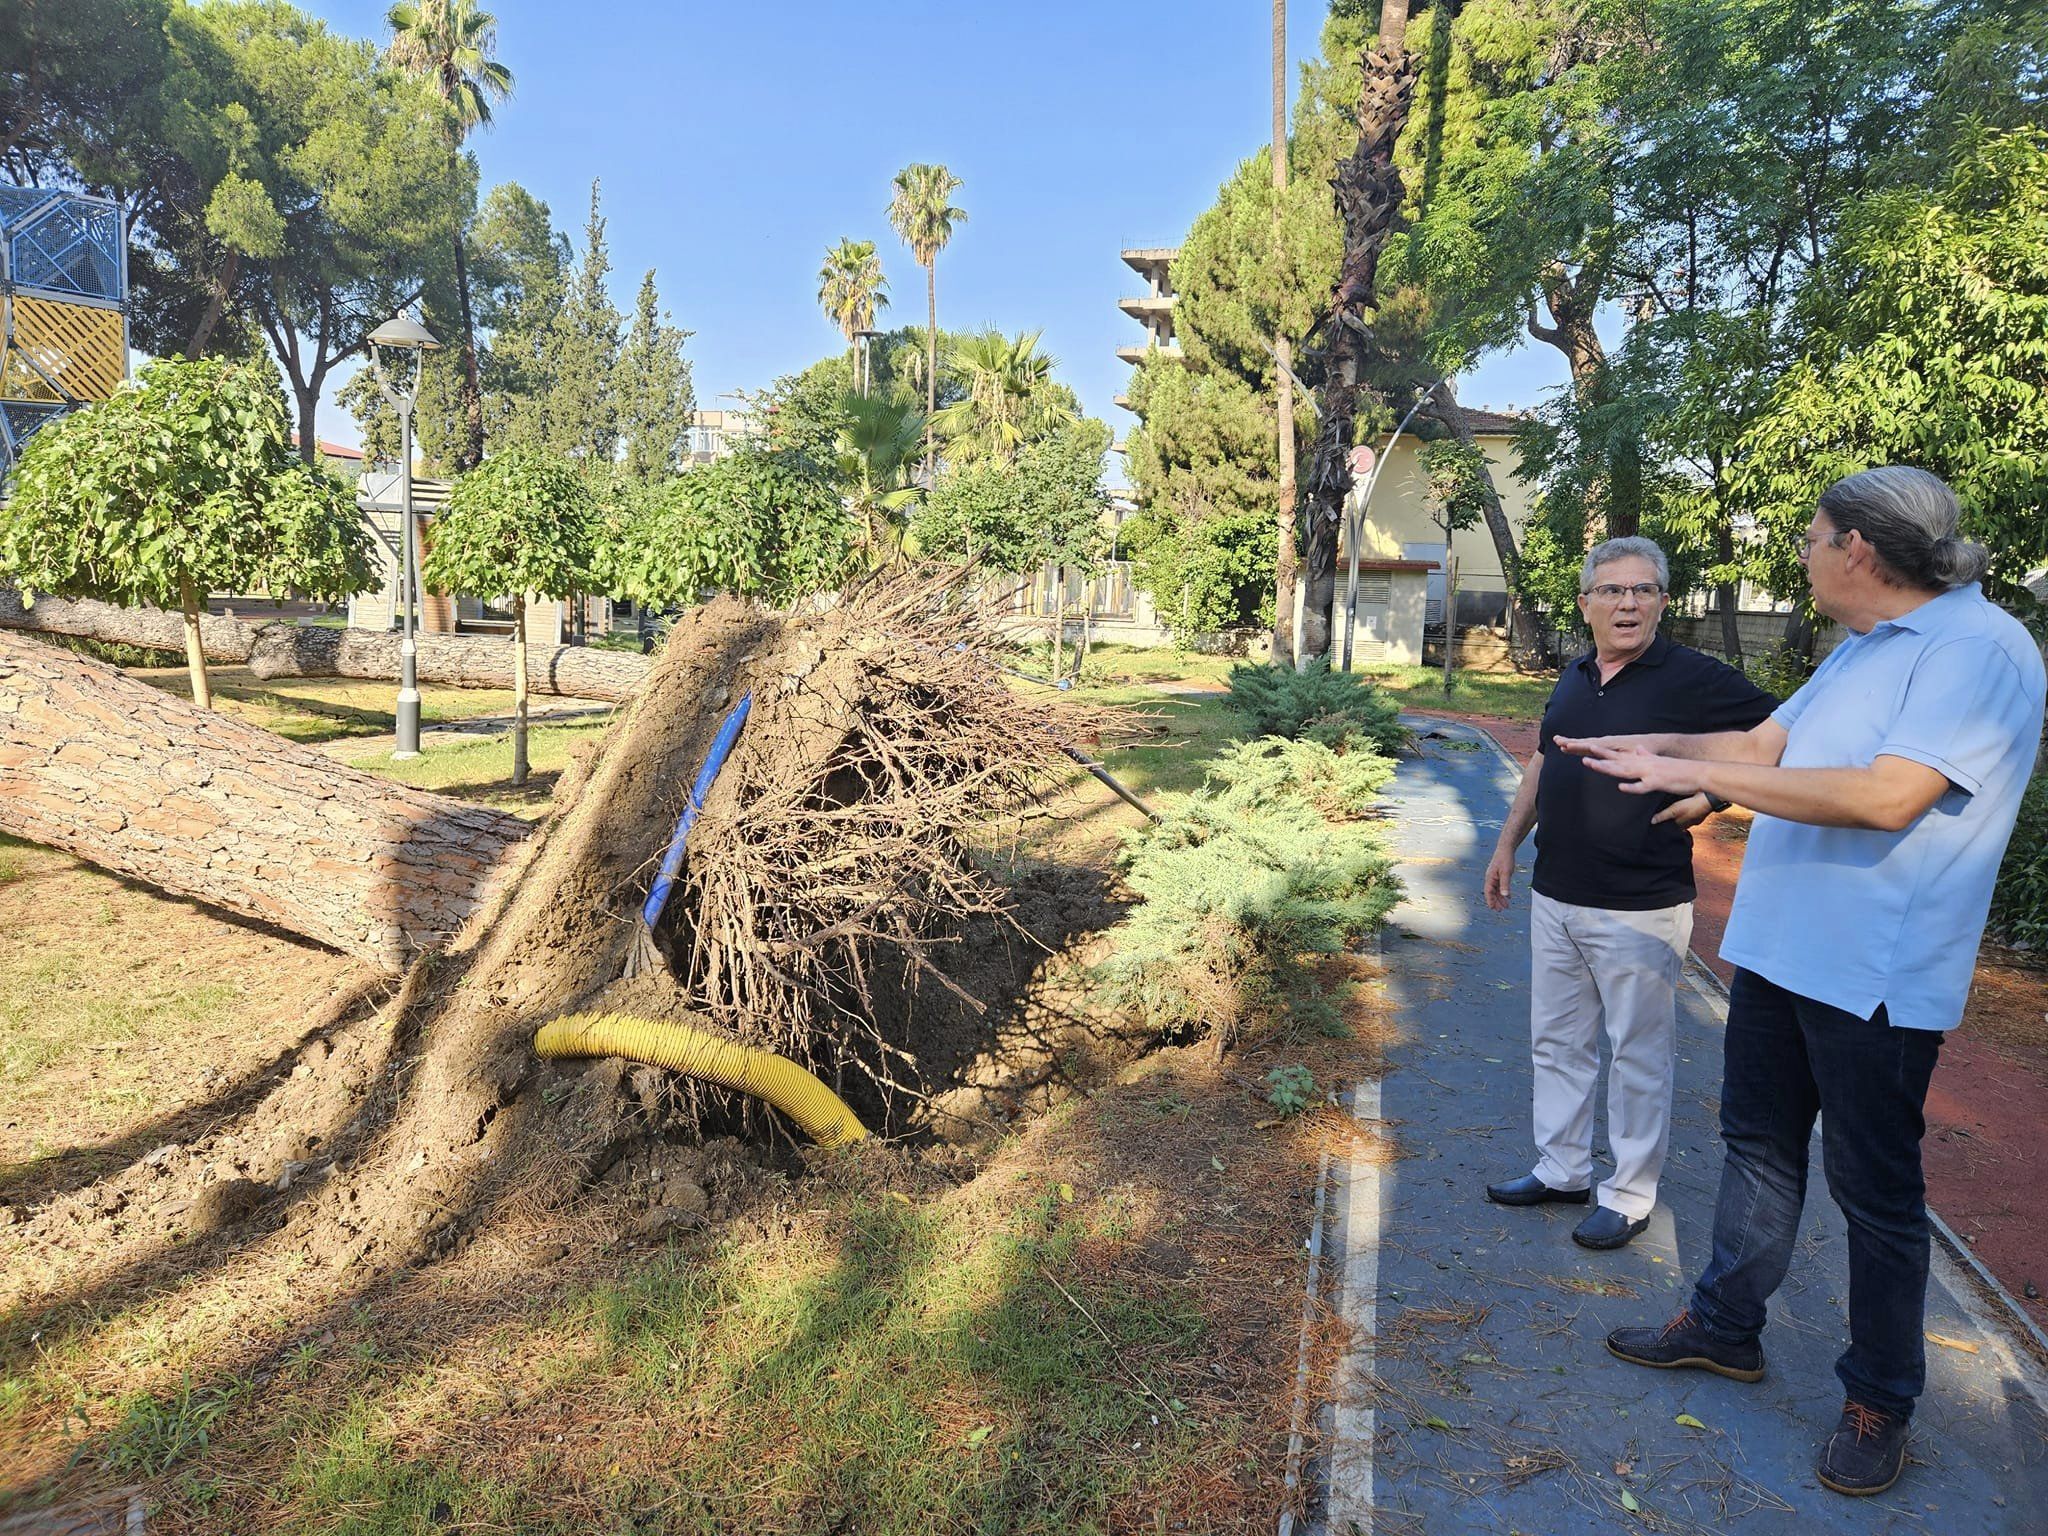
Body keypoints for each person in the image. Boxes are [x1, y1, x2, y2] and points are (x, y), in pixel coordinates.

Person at [1562, 467, 2045, 1498]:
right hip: (1780, 949)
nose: (1803, 553)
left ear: (1857, 550)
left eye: (1810, 537)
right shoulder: (1859, 648)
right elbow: (1754, 749)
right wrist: (1654, 749)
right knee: (1756, 1148)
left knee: (1873, 1194)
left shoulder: (1979, 649)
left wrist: (1702, 779)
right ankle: (1725, 1326)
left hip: (1873, 973)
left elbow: (1884, 797)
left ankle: (1879, 1397)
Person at [1483, 538, 1775, 1250]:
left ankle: (1630, 1194)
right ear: (1584, 603)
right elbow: (1545, 761)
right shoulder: (1576, 675)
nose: (1628, 603)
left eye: (1644, 591)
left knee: (1638, 1054)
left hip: (1642, 905)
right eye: (1612, 591)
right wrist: (1506, 843)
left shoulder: (1693, 677)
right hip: (1557, 893)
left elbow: (1784, 738)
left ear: (1664, 603)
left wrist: (1711, 792)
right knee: (1556, 1043)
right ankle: (1562, 1169)